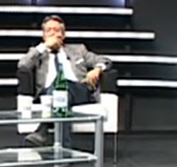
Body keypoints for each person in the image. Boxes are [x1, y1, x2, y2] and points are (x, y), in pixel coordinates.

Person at [18, 15, 112, 147]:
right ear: (44, 35)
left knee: (62, 83)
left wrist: (97, 69)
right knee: (60, 90)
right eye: (49, 30)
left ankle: (42, 131)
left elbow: (104, 60)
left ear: (63, 35)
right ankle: (64, 148)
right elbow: (22, 65)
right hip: (48, 95)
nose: (53, 33)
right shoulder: (38, 53)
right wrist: (44, 46)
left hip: (78, 91)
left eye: (56, 30)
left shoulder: (78, 50)